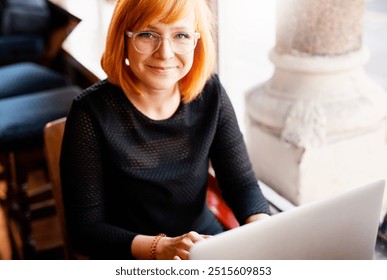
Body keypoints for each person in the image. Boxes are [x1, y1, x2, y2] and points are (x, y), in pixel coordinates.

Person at [60, 0, 270, 260]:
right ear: (123, 38)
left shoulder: (210, 93)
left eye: (180, 35)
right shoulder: (89, 112)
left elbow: (242, 185)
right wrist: (160, 248)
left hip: (204, 245)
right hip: (131, 254)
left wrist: (263, 229)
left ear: (196, 41)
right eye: (148, 34)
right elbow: (84, 231)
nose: (165, 53)